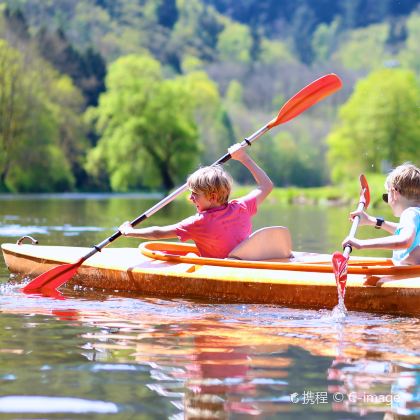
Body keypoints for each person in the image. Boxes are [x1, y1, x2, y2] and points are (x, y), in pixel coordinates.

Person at [118, 143, 274, 259]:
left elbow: (158, 233)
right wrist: (243, 158)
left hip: (221, 271)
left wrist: (129, 232)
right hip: (245, 264)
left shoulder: (199, 222)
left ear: (212, 197)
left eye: (195, 194)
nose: (190, 198)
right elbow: (266, 185)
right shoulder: (242, 206)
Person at [342, 163, 420, 265]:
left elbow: (405, 240)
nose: (387, 201)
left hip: (409, 276)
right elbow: (404, 231)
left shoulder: (409, 213)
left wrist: (361, 243)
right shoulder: (416, 213)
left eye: (387, 196)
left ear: (395, 193)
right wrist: (372, 221)